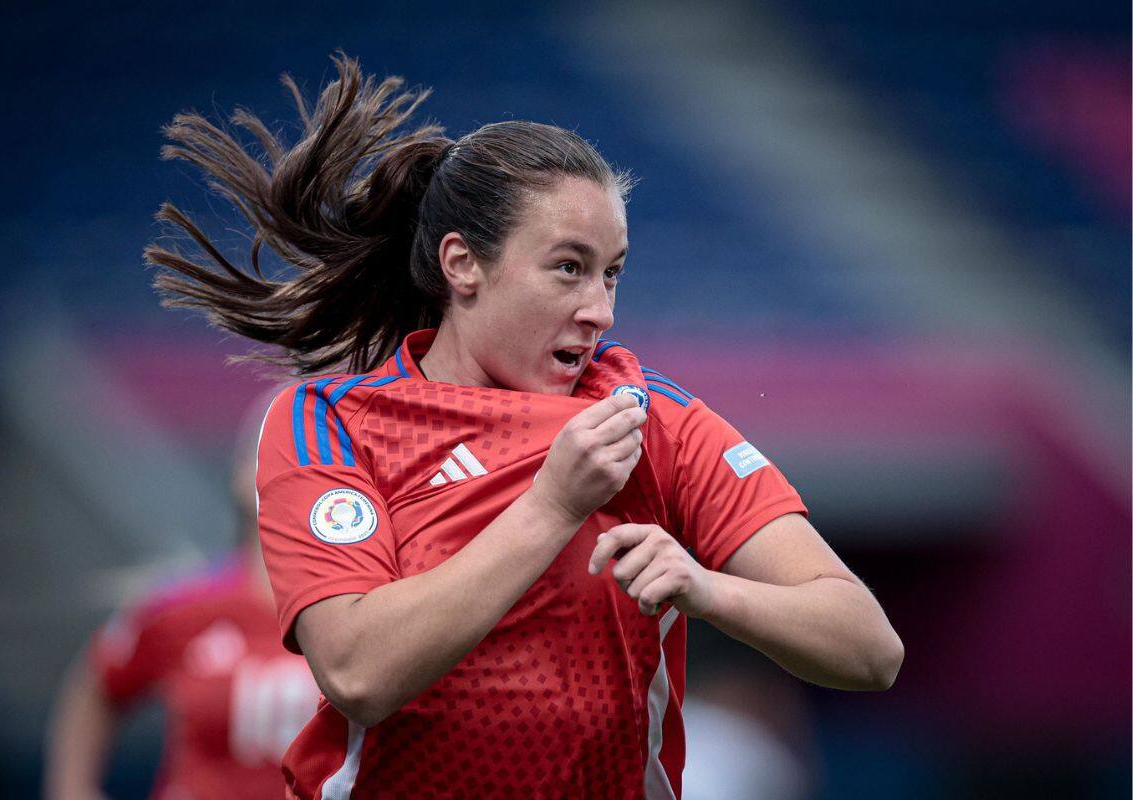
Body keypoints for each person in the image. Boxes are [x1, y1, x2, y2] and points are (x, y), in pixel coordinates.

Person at [146, 55, 904, 800]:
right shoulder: (332, 426)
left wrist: (708, 591)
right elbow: (357, 673)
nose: (600, 310)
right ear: (462, 264)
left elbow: (870, 649)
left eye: (612, 273)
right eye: (568, 268)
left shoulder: (648, 415)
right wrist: (551, 506)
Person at [43, 411, 321, 800]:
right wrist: (72, 789)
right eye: (272, 454)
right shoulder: (180, 606)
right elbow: (95, 688)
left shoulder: (370, 608)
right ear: (241, 476)